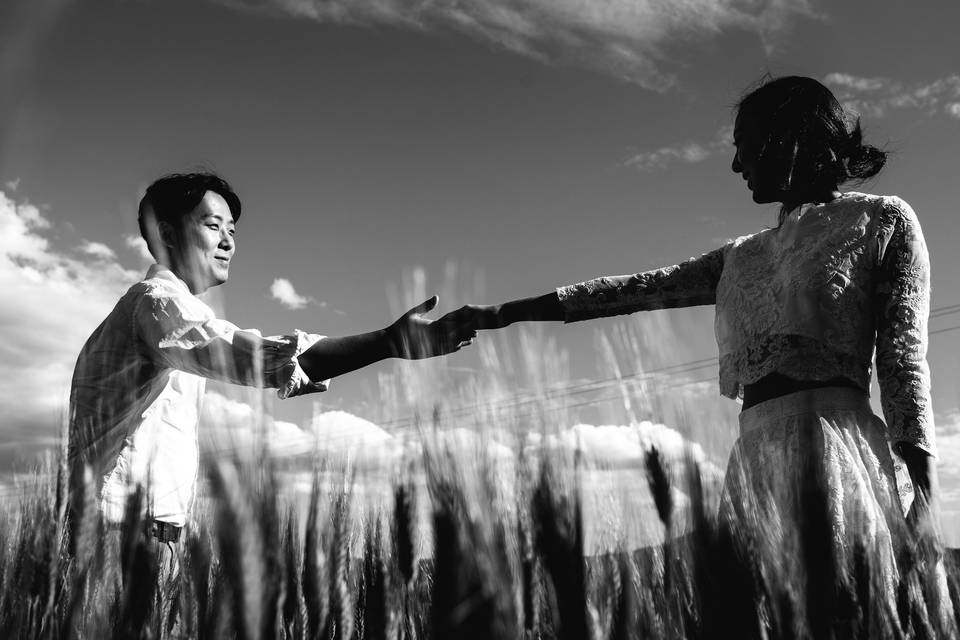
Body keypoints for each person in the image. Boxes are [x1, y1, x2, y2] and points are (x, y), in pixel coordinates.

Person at [444, 76, 951, 635]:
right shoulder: (741, 256)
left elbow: (903, 360)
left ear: (791, 137)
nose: (735, 164)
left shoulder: (881, 221)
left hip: (836, 456)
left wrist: (925, 499)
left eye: (743, 141)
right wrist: (501, 313)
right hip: (755, 464)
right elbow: (632, 289)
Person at [67, 172, 476, 554]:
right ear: (167, 234)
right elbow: (252, 357)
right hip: (125, 537)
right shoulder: (157, 304)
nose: (229, 242)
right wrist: (389, 342)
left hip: (141, 535)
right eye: (213, 226)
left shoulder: (154, 311)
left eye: (232, 231)